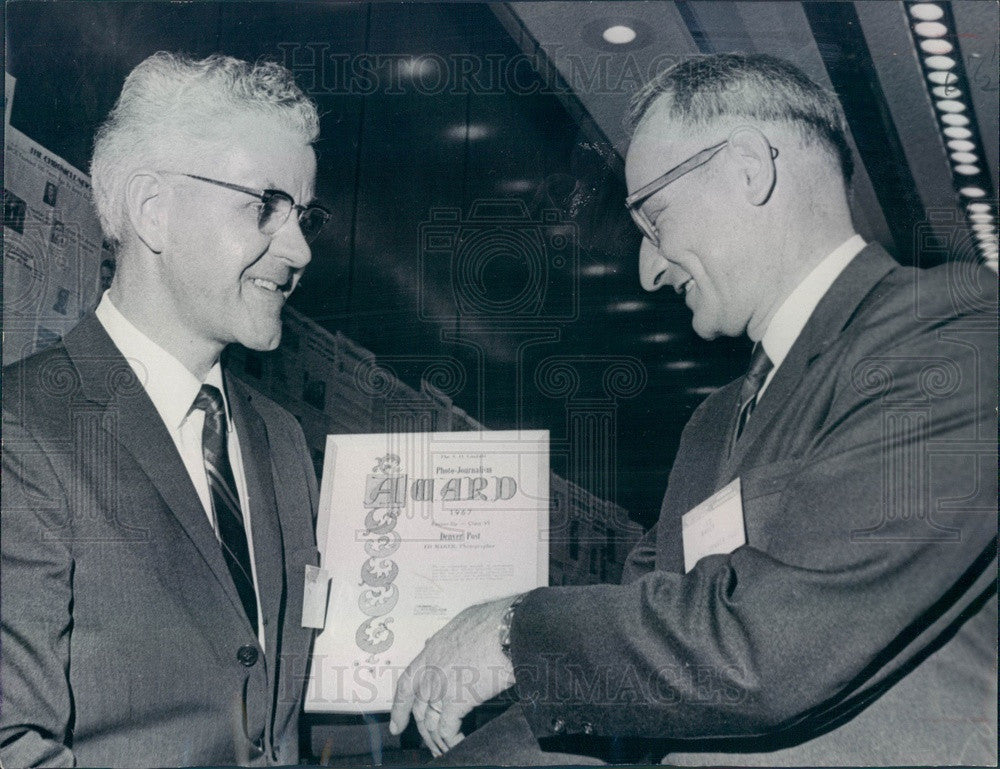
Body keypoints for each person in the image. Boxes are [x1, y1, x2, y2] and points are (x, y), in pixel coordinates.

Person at [388, 53, 998, 765]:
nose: (649, 269)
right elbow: (640, 676)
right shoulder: (711, 424)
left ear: (748, 169)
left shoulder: (952, 335)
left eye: (654, 215)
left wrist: (511, 629)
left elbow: (765, 647)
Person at [1, 52, 331, 767]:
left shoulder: (283, 441)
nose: (299, 248)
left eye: (304, 214)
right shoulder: (20, 432)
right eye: (266, 206)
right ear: (155, 210)